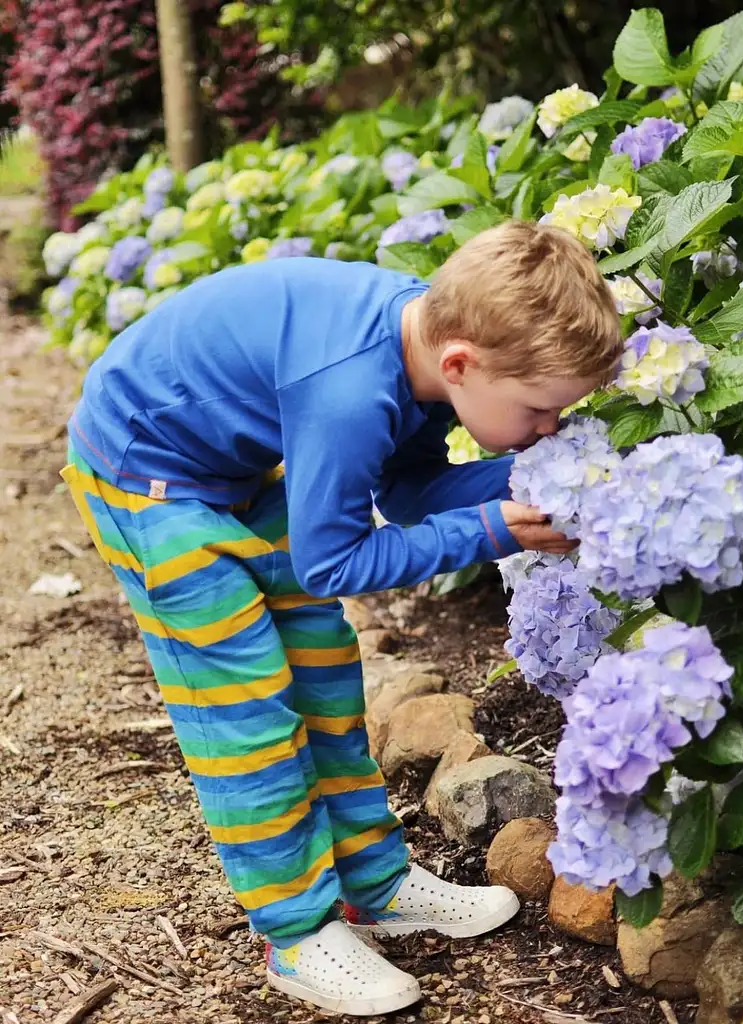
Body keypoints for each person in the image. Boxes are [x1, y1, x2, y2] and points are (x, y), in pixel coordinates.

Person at [61, 219, 622, 1016]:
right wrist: (493, 527)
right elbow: (335, 562)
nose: (549, 428)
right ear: (462, 363)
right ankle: (295, 934)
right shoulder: (353, 392)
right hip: (146, 481)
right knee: (246, 713)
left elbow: (407, 494)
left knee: (322, 671)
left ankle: (376, 886)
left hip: (230, 469)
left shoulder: (425, 351)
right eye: (538, 413)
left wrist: (540, 480)